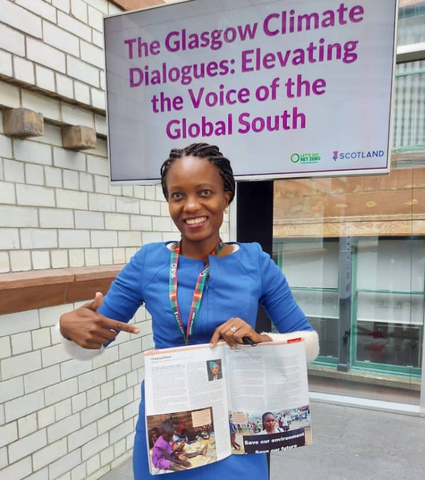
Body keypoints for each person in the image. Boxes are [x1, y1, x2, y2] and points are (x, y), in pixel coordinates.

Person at [58, 143, 319, 480]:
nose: (191, 205)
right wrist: (68, 329)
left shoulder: (256, 262)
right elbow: (95, 337)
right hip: (169, 426)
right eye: (177, 195)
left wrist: (260, 340)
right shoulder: (147, 262)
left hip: (236, 422)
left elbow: (308, 343)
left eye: (205, 192)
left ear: (226, 196)